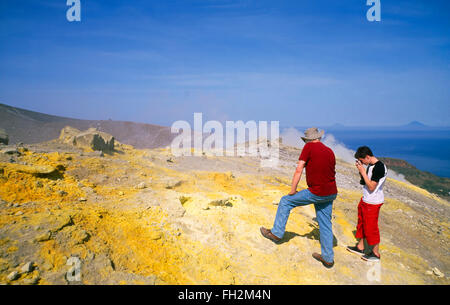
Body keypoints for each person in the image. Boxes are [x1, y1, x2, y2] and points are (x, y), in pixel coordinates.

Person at [260, 127, 338, 268]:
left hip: (317, 191)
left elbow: (299, 169)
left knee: (285, 201)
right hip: (331, 192)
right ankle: (328, 258)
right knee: (325, 224)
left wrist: (293, 190)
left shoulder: (308, 147)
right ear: (319, 138)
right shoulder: (329, 151)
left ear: (308, 140)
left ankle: (277, 233)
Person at [346, 146, 387, 262]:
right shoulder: (370, 166)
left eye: (362, 160)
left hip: (373, 202)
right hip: (366, 199)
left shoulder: (379, 167)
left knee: (371, 227)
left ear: (367, 157)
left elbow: (372, 186)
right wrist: (362, 171)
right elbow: (364, 181)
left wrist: (362, 171)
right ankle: (361, 247)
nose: (362, 163)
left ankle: (375, 253)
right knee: (362, 224)